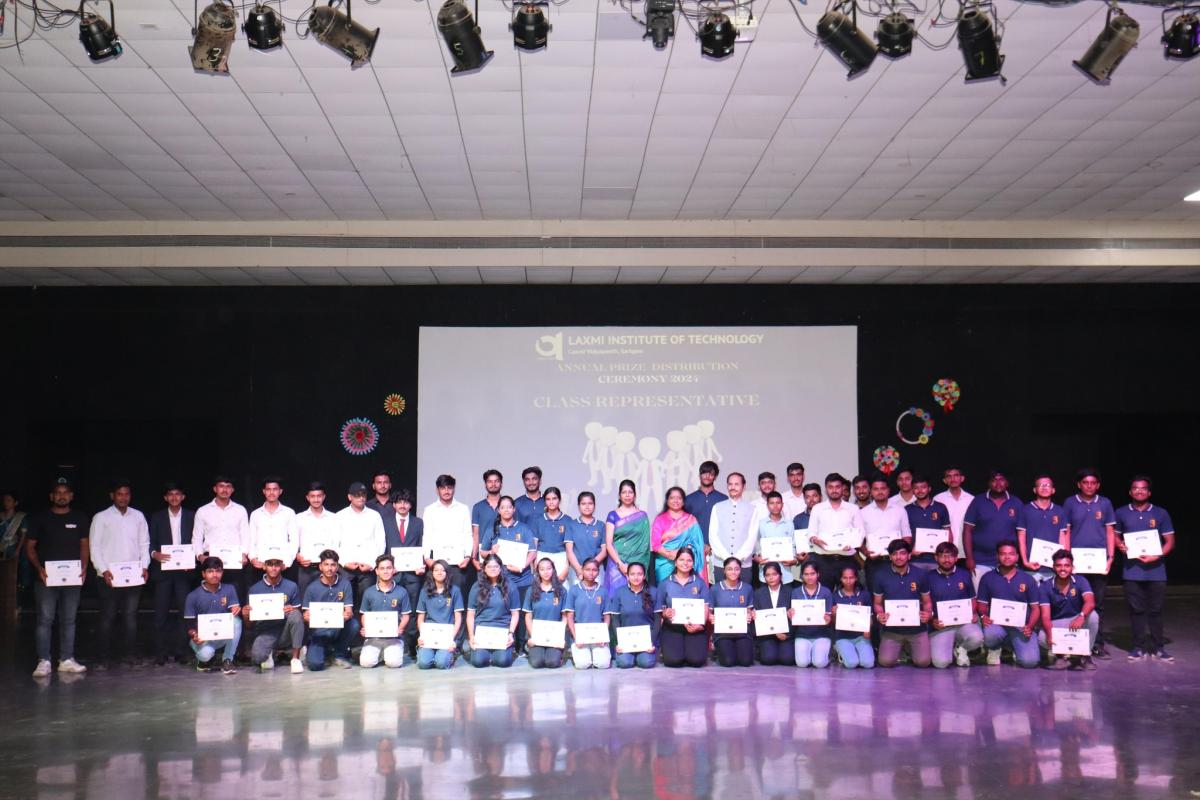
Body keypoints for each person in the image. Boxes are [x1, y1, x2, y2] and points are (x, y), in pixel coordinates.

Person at [26, 480, 89, 677]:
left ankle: (67, 659)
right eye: (58, 492)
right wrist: (39, 568)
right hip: (46, 578)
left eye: (65, 492)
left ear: (71, 496)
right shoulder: (40, 519)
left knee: (69, 619)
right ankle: (44, 661)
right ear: (51, 496)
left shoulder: (80, 518)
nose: (62, 496)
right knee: (45, 619)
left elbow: (84, 545)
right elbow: (30, 547)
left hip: (72, 577)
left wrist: (84, 568)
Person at [89, 480, 150, 669]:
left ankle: (129, 655)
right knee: (107, 617)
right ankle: (103, 657)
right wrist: (102, 569)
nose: (123, 498)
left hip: (134, 576)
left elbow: (144, 544)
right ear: (112, 496)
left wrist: (145, 566)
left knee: (130, 617)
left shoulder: (138, 516)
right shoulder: (101, 517)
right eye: (119, 494)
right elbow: (94, 546)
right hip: (109, 576)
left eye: (126, 494)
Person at [1114, 475, 1175, 662]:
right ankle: (1138, 647)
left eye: (1143, 488)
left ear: (1149, 492)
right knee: (1136, 610)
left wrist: (1157, 556)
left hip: (1157, 572)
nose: (1139, 491)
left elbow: (1170, 541)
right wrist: (1120, 545)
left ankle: (1158, 648)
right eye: (1135, 488)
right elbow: (1115, 536)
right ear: (1130, 492)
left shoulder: (1161, 513)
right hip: (1132, 571)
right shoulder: (1121, 512)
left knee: (1156, 610)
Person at [1063, 468, 1116, 660]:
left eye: (1093, 483)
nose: (1089, 486)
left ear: (1098, 485)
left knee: (1097, 604)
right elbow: (1066, 532)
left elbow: (1110, 532)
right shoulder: (1070, 503)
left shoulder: (1105, 503)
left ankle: (1097, 644)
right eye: (1085, 482)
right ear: (1079, 484)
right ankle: (1073, 643)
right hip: (1077, 563)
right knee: (1075, 603)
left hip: (1098, 562)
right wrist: (1067, 559)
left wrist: (1110, 557)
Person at [479, 495, 536, 653]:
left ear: (514, 509)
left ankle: (521, 646)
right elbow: (483, 552)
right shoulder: (492, 530)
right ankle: (505, 644)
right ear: (498, 510)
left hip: (522, 579)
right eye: (503, 507)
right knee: (504, 613)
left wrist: (522, 566)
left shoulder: (524, 528)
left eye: (509, 507)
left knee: (522, 613)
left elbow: (532, 552)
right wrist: (492, 551)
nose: (506, 510)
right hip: (499, 581)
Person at [149, 482, 195, 665]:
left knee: (185, 613)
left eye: (177, 494)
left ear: (183, 497)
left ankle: (181, 651)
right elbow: (149, 542)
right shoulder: (157, 517)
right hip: (163, 571)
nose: (174, 497)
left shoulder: (192, 516)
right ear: (165, 498)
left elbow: (198, 540)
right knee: (160, 614)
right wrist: (154, 554)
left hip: (184, 572)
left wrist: (192, 559)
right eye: (170, 494)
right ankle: (160, 653)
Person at [976, 541, 1041, 668]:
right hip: (997, 624)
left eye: (1011, 554)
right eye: (1003, 554)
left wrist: (1030, 626)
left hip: (1021, 626)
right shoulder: (987, 578)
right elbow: (982, 605)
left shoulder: (1028, 579)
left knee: (1030, 662)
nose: (1007, 557)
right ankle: (994, 648)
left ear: (1017, 557)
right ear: (997, 556)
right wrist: (983, 616)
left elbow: (1035, 609)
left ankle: (1013, 647)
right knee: (991, 635)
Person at [873, 539, 933, 667]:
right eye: (894, 554)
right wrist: (879, 615)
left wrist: (928, 613)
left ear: (909, 555)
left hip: (917, 629)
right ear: (890, 557)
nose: (898, 557)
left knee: (923, 662)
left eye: (902, 553)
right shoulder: (880, 575)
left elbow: (927, 601)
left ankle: (908, 648)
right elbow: (877, 604)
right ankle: (901, 648)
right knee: (885, 662)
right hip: (892, 629)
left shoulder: (921, 574)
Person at [241, 557, 304, 673]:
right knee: (257, 658)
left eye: (277, 564)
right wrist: (245, 615)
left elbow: (299, 616)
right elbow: (249, 626)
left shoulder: (291, 586)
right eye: (270, 564)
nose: (274, 568)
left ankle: (295, 659)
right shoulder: (254, 589)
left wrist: (293, 609)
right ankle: (272, 652)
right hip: (266, 631)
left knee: (296, 615)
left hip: (285, 629)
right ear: (264, 566)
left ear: (282, 567)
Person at [193, 475, 250, 601]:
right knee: (210, 598)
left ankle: (235, 615)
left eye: (228, 486)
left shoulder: (240, 510)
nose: (225, 489)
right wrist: (200, 556)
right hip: (210, 560)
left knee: (235, 597)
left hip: (235, 561)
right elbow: (197, 537)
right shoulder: (203, 511)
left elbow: (245, 535)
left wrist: (244, 553)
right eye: (221, 486)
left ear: (232, 490)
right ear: (215, 489)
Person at [1038, 550, 1098, 671]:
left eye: (1066, 565)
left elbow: (1090, 602)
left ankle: (1085, 654)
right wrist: (1050, 634)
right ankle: (1060, 655)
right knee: (1042, 637)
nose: (1063, 569)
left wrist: (1081, 616)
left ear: (1072, 567)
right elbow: (1045, 616)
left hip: (1076, 620)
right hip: (1057, 623)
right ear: (1053, 567)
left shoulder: (1081, 580)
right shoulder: (1045, 586)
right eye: (1059, 565)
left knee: (1093, 616)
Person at [301, 549, 360, 671]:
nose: (329, 568)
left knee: (354, 624)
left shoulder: (345, 584)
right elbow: (306, 614)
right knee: (315, 665)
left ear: (337, 567)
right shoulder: (312, 587)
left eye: (333, 565)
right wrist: (307, 617)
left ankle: (339, 654)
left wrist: (346, 615)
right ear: (320, 567)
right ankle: (324, 651)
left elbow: (348, 610)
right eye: (326, 565)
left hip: (338, 628)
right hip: (319, 632)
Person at [927, 541, 984, 668]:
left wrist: (972, 613)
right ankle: (948, 646)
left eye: (951, 556)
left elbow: (972, 599)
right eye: (942, 556)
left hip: (962, 623)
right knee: (941, 663)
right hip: (940, 627)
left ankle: (961, 649)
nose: (947, 560)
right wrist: (932, 621)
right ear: (936, 557)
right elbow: (925, 604)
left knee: (977, 637)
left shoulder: (965, 574)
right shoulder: (928, 577)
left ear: (956, 558)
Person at [182, 556, 242, 675]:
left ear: (222, 572)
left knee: (236, 621)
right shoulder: (193, 596)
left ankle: (227, 660)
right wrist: (194, 635)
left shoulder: (229, 589)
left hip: (222, 634)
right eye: (210, 571)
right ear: (203, 574)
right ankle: (204, 661)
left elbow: (233, 609)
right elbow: (188, 623)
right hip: (202, 638)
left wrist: (236, 609)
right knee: (206, 655)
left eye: (218, 571)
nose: (215, 575)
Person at [804, 473, 862, 590]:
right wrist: (815, 540)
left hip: (846, 559)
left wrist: (853, 544)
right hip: (823, 560)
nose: (834, 490)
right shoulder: (817, 509)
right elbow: (811, 532)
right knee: (824, 594)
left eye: (837, 487)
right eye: (831, 487)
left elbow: (860, 532)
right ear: (826, 489)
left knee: (847, 595)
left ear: (842, 488)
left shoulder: (853, 509)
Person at [656, 546, 711, 668]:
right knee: (673, 661)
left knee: (696, 661)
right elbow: (660, 610)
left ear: (693, 563)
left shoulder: (700, 583)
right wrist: (665, 613)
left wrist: (700, 625)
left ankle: (688, 649)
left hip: (695, 628)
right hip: (672, 628)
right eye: (681, 560)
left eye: (689, 560)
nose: (685, 563)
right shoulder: (665, 583)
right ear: (675, 562)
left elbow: (705, 608)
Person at [385, 488, 424, 659]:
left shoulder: (418, 523)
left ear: (410, 505)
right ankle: (391, 644)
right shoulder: (385, 522)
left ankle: (412, 646)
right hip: (391, 574)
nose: (402, 505)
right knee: (391, 609)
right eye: (399, 502)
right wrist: (386, 566)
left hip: (413, 574)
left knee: (412, 611)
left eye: (406, 502)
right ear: (394, 504)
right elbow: (383, 546)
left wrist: (421, 564)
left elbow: (422, 545)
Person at [358, 554, 413, 669]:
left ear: (394, 570)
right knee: (366, 663)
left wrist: (400, 628)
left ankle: (385, 653)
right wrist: (366, 628)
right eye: (382, 568)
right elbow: (364, 614)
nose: (385, 571)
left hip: (394, 637)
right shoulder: (369, 592)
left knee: (394, 664)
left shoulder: (402, 591)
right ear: (377, 571)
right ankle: (380, 653)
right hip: (374, 637)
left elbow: (406, 615)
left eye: (388, 568)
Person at [859, 473, 912, 593]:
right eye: (876, 489)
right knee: (875, 595)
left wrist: (902, 554)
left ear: (888, 490)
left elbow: (907, 536)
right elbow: (858, 540)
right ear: (871, 491)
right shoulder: (863, 513)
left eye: (883, 488)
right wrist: (865, 552)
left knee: (898, 593)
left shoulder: (900, 510)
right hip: (874, 561)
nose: (879, 492)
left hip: (897, 561)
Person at [422, 474, 473, 594]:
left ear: (454, 489)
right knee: (438, 595)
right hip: (437, 561)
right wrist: (427, 558)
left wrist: (467, 557)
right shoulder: (430, 510)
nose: (446, 491)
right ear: (437, 490)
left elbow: (467, 534)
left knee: (457, 596)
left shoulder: (463, 509)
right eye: (443, 488)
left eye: (449, 488)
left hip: (458, 562)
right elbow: (427, 535)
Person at [467, 553, 520, 668]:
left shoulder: (510, 586)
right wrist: (471, 636)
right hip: (482, 630)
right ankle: (487, 654)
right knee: (478, 662)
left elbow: (515, 614)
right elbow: (470, 615)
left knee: (503, 661)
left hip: (502, 629)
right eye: (489, 566)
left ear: (501, 568)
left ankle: (497, 654)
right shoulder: (476, 587)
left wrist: (511, 634)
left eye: (496, 566)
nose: (493, 569)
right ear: (484, 569)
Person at [336, 481, 386, 600]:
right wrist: (343, 562)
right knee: (345, 603)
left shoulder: (375, 516)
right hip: (346, 568)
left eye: (363, 494)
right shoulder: (340, 516)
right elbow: (334, 543)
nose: (361, 498)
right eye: (357, 495)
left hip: (368, 567)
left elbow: (381, 543)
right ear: (350, 497)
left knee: (367, 603)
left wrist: (373, 564)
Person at [1016, 474, 1069, 583]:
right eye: (1041, 485)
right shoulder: (1025, 510)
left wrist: (1063, 562)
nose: (1044, 487)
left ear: (1053, 490)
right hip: (1031, 567)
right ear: (1034, 490)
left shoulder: (1060, 511)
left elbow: (1062, 538)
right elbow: (1021, 538)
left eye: (1048, 485)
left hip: (1053, 568)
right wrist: (1025, 562)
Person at [605, 561, 657, 669]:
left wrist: (651, 642)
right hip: (626, 640)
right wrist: (619, 642)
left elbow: (658, 620)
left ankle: (641, 656)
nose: (636, 577)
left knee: (646, 662)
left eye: (639, 574)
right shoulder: (619, 592)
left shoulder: (653, 591)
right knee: (625, 663)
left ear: (644, 576)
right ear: (627, 576)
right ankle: (630, 656)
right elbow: (615, 620)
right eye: (632, 574)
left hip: (646, 641)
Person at [708, 473, 759, 584]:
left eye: (736, 484)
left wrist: (737, 558)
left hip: (744, 565)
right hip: (721, 564)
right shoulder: (717, 507)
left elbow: (752, 537)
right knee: (721, 594)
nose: (733, 487)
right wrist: (727, 558)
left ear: (743, 487)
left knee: (743, 594)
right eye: (730, 484)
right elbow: (713, 535)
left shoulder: (752, 509)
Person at [651, 486, 706, 586]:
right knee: (665, 590)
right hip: (664, 563)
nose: (676, 501)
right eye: (672, 498)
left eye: (679, 498)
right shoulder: (660, 519)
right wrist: (669, 554)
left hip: (685, 562)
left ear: (683, 501)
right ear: (667, 501)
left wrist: (680, 554)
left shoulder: (691, 520)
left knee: (686, 589)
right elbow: (656, 545)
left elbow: (697, 544)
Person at [416, 559, 464, 669]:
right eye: (436, 570)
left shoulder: (455, 591)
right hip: (429, 634)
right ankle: (429, 653)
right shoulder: (425, 591)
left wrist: (451, 638)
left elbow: (458, 618)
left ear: (447, 573)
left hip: (447, 634)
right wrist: (422, 635)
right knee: (423, 664)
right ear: (432, 573)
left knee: (441, 663)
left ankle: (450, 654)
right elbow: (420, 618)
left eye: (442, 570)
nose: (439, 572)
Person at [604, 480, 651, 593]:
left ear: (635, 495)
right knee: (615, 595)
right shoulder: (612, 515)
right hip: (616, 563)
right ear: (620, 495)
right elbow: (609, 543)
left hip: (637, 564)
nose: (627, 495)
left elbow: (645, 545)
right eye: (624, 492)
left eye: (630, 492)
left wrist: (635, 566)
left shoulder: (642, 516)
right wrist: (620, 564)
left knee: (636, 595)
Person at [565, 558, 610, 669]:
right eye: (587, 569)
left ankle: (596, 653)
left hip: (598, 635)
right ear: (582, 570)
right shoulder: (574, 590)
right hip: (580, 636)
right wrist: (576, 637)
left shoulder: (603, 591)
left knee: (603, 664)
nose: (591, 573)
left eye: (594, 570)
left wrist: (603, 636)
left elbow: (607, 617)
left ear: (598, 572)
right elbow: (570, 617)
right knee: (583, 665)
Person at [295, 482, 338, 598]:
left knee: (328, 600)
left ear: (324, 496)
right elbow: (293, 542)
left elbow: (337, 542)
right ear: (307, 497)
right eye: (312, 496)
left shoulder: (333, 518)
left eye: (319, 496)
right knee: (305, 601)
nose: (316, 499)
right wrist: (297, 555)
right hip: (306, 568)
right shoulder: (299, 518)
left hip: (328, 568)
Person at [248, 477, 297, 578]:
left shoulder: (289, 513)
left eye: (275, 489)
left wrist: (287, 562)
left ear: (280, 491)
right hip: (261, 564)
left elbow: (294, 540)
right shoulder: (255, 514)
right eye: (268, 489)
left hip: (283, 564)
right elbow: (251, 539)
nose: (271, 492)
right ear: (264, 491)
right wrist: (253, 558)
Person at [523, 557, 567, 669]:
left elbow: (564, 617)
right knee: (537, 663)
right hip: (536, 634)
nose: (546, 572)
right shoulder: (531, 590)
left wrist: (560, 637)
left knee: (552, 662)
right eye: (542, 569)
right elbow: (528, 616)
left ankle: (559, 653)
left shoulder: (561, 591)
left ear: (553, 570)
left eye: (548, 568)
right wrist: (533, 636)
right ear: (538, 572)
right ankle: (529, 647)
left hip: (555, 635)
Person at [684, 460, 727, 574]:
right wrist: (698, 545)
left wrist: (712, 546)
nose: (707, 476)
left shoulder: (723, 499)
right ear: (699, 475)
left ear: (715, 476)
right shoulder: (689, 499)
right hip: (694, 550)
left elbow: (726, 528)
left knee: (716, 582)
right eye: (704, 473)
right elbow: (685, 527)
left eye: (711, 473)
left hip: (718, 552)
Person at [710, 557, 754, 667]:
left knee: (746, 661)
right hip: (722, 633)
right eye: (729, 569)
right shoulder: (715, 589)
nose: (733, 572)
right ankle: (719, 649)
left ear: (740, 570)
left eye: (736, 569)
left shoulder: (747, 588)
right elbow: (710, 612)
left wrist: (749, 615)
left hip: (742, 632)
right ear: (724, 570)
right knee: (728, 662)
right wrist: (711, 617)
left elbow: (749, 609)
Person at [790, 561, 833, 668]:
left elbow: (829, 617)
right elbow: (794, 616)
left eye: (812, 573)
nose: (809, 577)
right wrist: (791, 615)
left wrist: (828, 619)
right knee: (802, 663)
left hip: (821, 634)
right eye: (806, 574)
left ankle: (826, 655)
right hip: (802, 634)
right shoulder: (796, 592)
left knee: (819, 663)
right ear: (802, 576)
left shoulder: (826, 592)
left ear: (818, 574)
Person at [831, 565, 874, 669]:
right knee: (851, 664)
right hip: (842, 636)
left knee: (868, 664)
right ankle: (840, 649)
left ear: (856, 578)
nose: (848, 581)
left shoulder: (864, 595)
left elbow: (870, 617)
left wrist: (868, 628)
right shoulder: (835, 596)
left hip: (861, 636)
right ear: (840, 579)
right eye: (845, 578)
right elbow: (833, 623)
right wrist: (834, 614)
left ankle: (857, 652)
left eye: (851, 577)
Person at [905, 474, 951, 571]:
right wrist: (909, 552)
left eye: (923, 487)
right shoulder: (907, 510)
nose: (920, 491)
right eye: (916, 488)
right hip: (915, 560)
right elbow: (904, 535)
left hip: (937, 560)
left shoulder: (941, 507)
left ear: (929, 489)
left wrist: (945, 553)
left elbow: (948, 532)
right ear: (912, 490)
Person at [753, 562, 794, 666]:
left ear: (780, 575)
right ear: (764, 578)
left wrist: (787, 634)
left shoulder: (790, 592)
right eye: (768, 575)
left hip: (785, 634)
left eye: (774, 574)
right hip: (767, 634)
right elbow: (758, 618)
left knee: (787, 660)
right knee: (768, 659)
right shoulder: (758, 593)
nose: (771, 578)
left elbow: (794, 616)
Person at [754, 491, 798, 585]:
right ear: (767, 505)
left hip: (785, 573)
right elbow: (755, 545)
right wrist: (756, 558)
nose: (775, 506)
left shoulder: (789, 524)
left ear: (782, 504)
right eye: (772, 503)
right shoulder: (761, 524)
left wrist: (794, 560)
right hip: (766, 573)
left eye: (778, 503)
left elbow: (794, 545)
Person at [565, 491, 606, 585]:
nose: (587, 506)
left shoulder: (601, 525)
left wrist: (590, 568)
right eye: (583, 504)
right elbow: (569, 551)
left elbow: (604, 552)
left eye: (590, 503)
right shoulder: (571, 524)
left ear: (594, 505)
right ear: (579, 506)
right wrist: (579, 570)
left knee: (597, 593)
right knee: (576, 593)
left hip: (596, 570)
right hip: (576, 569)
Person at [534, 487, 572, 584]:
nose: (551, 502)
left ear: (559, 500)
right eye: (548, 499)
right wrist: (534, 564)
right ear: (544, 501)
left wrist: (567, 566)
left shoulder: (567, 520)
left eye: (554, 498)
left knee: (562, 587)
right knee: (542, 587)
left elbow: (569, 547)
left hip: (561, 556)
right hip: (542, 555)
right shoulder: (538, 520)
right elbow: (534, 544)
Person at [934, 466, 974, 551]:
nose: (953, 479)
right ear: (944, 481)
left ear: (962, 478)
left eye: (956, 475)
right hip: (945, 549)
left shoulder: (971, 499)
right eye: (949, 476)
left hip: (967, 548)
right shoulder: (938, 499)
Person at [470, 469, 503, 570]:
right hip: (483, 551)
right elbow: (475, 534)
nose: (493, 484)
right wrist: (474, 557)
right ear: (485, 485)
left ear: (501, 484)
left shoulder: (508, 506)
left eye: (496, 481)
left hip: (504, 550)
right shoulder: (478, 507)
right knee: (483, 579)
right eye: (490, 481)